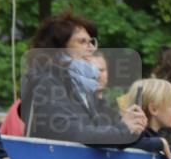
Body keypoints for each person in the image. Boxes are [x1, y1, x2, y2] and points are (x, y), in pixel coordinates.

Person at [21, 9, 146, 145]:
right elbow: (68, 132)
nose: (92, 49)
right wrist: (123, 130)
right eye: (82, 42)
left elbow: (98, 132)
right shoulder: (47, 81)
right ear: (60, 48)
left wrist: (131, 127)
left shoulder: (79, 87)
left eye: (92, 42)